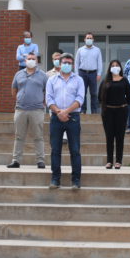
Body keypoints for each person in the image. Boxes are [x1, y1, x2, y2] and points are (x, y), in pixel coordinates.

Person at [46, 53, 85, 189]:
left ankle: (76, 180)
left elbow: (80, 99)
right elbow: (49, 99)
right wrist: (58, 112)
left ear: (72, 64)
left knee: (75, 150)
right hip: (56, 117)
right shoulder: (51, 80)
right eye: (64, 62)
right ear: (60, 64)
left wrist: (66, 111)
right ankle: (55, 179)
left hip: (73, 117)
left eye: (69, 62)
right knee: (55, 150)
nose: (66, 65)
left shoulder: (79, 80)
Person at [8, 52, 47, 169]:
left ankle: (40, 160)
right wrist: (20, 99)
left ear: (36, 60)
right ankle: (16, 160)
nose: (30, 60)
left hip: (37, 110)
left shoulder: (43, 75)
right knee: (19, 136)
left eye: (33, 58)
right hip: (20, 110)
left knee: (38, 136)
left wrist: (42, 102)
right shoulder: (18, 74)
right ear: (25, 61)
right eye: (28, 58)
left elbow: (47, 91)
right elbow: (14, 89)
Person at [99, 59, 130, 169]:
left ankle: (118, 161)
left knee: (120, 137)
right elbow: (100, 97)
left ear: (120, 68)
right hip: (108, 112)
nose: (115, 67)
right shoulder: (105, 81)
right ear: (109, 68)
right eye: (112, 65)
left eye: (117, 65)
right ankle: (109, 161)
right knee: (109, 136)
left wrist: (123, 105)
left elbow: (129, 97)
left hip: (121, 111)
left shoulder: (124, 80)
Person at [75, 32, 102, 114]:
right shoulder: (80, 50)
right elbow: (76, 63)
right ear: (84, 39)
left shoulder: (97, 50)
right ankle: (83, 110)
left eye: (90, 38)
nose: (89, 39)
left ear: (93, 39)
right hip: (82, 73)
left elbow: (99, 62)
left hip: (93, 73)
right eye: (87, 38)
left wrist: (99, 73)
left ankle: (94, 111)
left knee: (93, 93)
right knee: (82, 93)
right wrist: (76, 74)